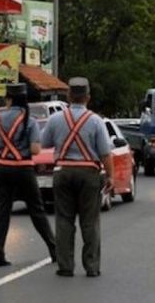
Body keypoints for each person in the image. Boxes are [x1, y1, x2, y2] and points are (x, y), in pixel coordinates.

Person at [41, 77, 113, 277]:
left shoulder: (55, 119)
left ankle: (65, 266)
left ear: (69, 96)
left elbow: (45, 143)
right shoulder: (96, 120)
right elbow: (105, 152)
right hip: (89, 173)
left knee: (64, 220)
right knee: (90, 221)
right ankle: (91, 267)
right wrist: (110, 177)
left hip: (63, 172)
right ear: (88, 97)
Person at [0, 83, 56, 267]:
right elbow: (35, 149)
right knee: (37, 210)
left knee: (3, 212)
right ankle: (54, 249)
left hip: (2, 169)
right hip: (23, 169)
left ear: (8, 99)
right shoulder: (30, 121)